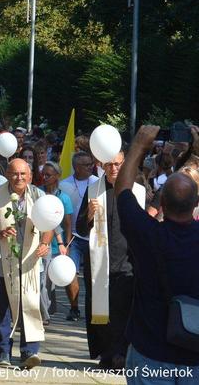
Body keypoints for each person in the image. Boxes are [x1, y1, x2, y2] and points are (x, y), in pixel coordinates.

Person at [113, 126, 199, 384]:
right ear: (196, 204)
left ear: (161, 204)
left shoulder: (147, 234)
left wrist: (139, 145)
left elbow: (123, 192)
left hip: (149, 350)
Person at [76, 148, 145, 370]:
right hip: (100, 262)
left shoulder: (139, 191)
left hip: (128, 261)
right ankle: (107, 353)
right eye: (109, 165)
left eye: (118, 164)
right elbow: (79, 228)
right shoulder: (93, 190)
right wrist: (88, 214)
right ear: (102, 166)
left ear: (125, 164)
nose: (114, 169)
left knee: (124, 309)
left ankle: (122, 354)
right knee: (102, 311)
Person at [0, 158, 52, 369]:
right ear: (8, 175)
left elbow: (50, 223)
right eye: (15, 174)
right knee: (3, 308)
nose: (19, 178)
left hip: (30, 261)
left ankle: (29, 352)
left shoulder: (39, 195)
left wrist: (45, 243)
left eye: (23, 174)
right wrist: (0, 232)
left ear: (30, 176)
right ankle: (4, 352)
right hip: (2, 261)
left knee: (30, 304)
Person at [59, 151, 98, 322]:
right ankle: (74, 308)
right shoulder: (64, 185)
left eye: (91, 164)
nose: (91, 167)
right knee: (70, 273)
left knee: (93, 275)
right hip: (73, 237)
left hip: (94, 237)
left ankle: (92, 306)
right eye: (86, 165)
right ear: (76, 167)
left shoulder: (97, 183)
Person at [39, 162, 73, 318]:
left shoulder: (64, 198)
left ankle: (48, 310)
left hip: (56, 247)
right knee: (42, 283)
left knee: (49, 283)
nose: (44, 177)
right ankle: (44, 315)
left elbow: (67, 225)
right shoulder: (38, 193)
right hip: (40, 244)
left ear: (57, 177)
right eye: (43, 174)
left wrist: (65, 245)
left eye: (48, 175)